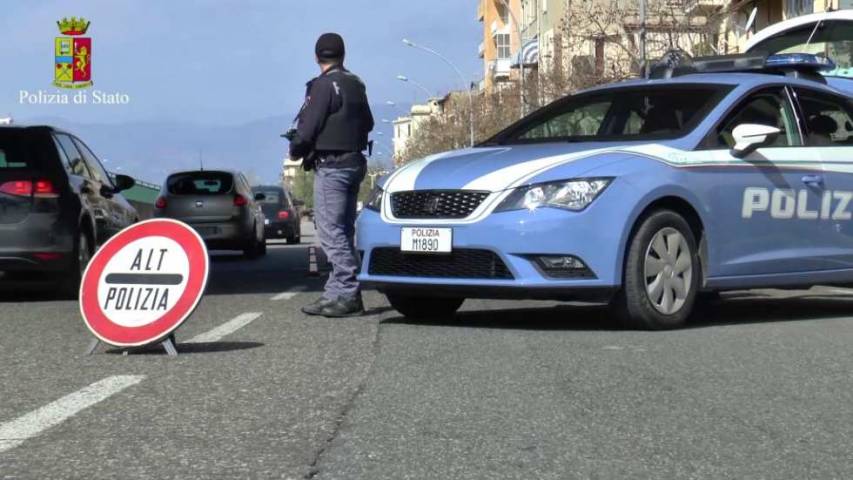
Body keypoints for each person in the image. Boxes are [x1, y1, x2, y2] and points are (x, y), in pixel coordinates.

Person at [289, 32, 374, 318]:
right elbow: (370, 122)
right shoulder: (356, 84)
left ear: (316, 57)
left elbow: (308, 127)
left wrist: (296, 149)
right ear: (343, 55)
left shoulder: (323, 86)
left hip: (332, 166)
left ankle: (348, 292)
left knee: (330, 232)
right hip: (355, 162)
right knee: (344, 231)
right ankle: (335, 293)